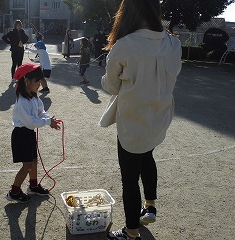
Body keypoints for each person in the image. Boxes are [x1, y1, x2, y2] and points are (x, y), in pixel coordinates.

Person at [99, 0, 182, 239]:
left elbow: (112, 86)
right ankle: (151, 206)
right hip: (159, 118)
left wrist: (107, 79)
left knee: (129, 177)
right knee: (147, 155)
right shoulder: (173, 43)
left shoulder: (124, 46)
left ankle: (132, 232)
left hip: (133, 122)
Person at [6, 63, 61, 203]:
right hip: (21, 135)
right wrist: (47, 122)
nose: (40, 85)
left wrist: (50, 120)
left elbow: (40, 112)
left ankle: (33, 185)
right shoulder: (23, 101)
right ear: (26, 81)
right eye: (38, 81)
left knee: (34, 161)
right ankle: (14, 191)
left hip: (29, 134)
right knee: (27, 165)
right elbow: (31, 122)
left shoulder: (34, 97)